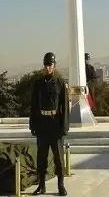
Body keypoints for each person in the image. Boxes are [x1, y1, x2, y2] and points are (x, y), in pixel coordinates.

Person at [29, 52, 69, 196]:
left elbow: (64, 107)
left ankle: (61, 185)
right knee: (41, 158)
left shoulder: (60, 83)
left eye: (50, 65)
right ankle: (41, 186)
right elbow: (33, 106)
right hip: (42, 124)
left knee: (58, 158)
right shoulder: (38, 83)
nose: (47, 67)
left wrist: (64, 127)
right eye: (45, 64)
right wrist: (32, 125)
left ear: (54, 66)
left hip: (55, 124)